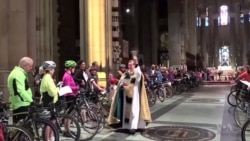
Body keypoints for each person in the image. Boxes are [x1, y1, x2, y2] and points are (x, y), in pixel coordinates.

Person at [108, 56, 152, 134]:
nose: (130, 66)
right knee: (126, 111)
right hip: (126, 95)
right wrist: (122, 85)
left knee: (134, 111)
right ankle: (126, 126)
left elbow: (138, 74)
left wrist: (137, 62)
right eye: (129, 65)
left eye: (131, 65)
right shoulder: (126, 74)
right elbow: (121, 82)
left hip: (135, 96)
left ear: (134, 65)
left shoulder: (137, 73)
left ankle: (133, 127)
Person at [8, 57, 34, 124]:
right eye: (30, 66)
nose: (31, 68)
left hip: (19, 103)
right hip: (21, 104)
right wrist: (31, 101)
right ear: (24, 66)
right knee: (24, 128)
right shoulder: (18, 74)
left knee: (19, 128)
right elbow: (20, 90)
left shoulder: (17, 72)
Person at [39, 60, 58, 141]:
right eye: (53, 69)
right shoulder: (48, 78)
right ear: (50, 69)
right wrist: (57, 89)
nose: (54, 71)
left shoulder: (46, 77)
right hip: (49, 101)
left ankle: (50, 137)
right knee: (49, 122)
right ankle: (48, 138)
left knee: (51, 121)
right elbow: (52, 92)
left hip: (48, 101)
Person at [62, 60, 79, 137]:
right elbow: (68, 87)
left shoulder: (68, 75)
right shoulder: (67, 76)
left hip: (71, 96)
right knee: (69, 115)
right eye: (74, 68)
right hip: (69, 96)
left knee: (68, 115)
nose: (74, 69)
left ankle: (67, 130)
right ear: (70, 68)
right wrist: (77, 88)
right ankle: (67, 131)